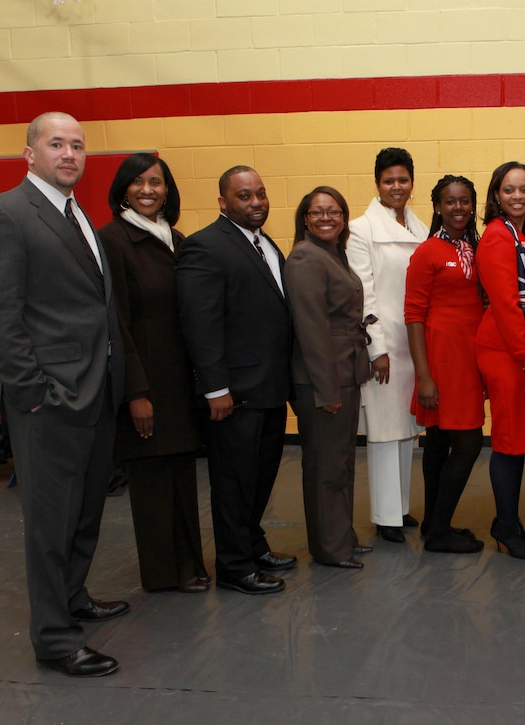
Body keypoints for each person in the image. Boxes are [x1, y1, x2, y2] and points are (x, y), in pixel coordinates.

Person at [0, 112, 126, 677]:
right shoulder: (4, 215)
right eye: (56, 143)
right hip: (50, 399)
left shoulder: (80, 214)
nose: (69, 154)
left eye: (77, 145)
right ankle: (55, 638)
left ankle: (73, 596)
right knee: (51, 522)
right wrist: (32, 392)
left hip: (97, 391)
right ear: (30, 154)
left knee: (84, 511)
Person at [176, 166, 295, 595]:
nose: (256, 202)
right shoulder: (205, 246)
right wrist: (216, 389)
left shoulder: (266, 244)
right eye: (245, 196)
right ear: (223, 202)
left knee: (259, 477)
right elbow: (200, 324)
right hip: (234, 394)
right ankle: (233, 566)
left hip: (270, 388)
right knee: (234, 482)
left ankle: (252, 545)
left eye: (261, 193)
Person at [98, 153, 209, 594]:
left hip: (178, 382)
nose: (148, 190)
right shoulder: (113, 240)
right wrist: (135, 392)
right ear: (123, 189)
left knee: (181, 477)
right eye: (138, 182)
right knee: (151, 485)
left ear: (168, 190)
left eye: (156, 182)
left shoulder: (175, 239)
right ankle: (164, 575)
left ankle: (189, 564)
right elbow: (117, 322)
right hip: (145, 384)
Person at [284, 187, 371, 570]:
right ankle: (330, 549)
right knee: (326, 467)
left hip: (344, 372)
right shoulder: (305, 256)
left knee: (341, 463)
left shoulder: (333, 253)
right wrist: (327, 389)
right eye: (317, 212)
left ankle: (340, 537)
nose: (326, 218)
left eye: (334, 211)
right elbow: (311, 329)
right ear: (305, 218)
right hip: (324, 379)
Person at [347, 147, 427, 543]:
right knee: (383, 431)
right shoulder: (361, 230)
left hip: (415, 345)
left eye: (403, 179)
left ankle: (400, 507)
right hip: (386, 347)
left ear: (412, 182)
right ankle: (384, 516)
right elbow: (364, 295)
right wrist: (376, 350)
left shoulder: (420, 228)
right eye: (388, 180)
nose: (397, 186)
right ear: (377, 184)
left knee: (405, 429)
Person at [405, 175, 486, 555]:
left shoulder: (474, 247)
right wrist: (424, 376)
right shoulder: (428, 251)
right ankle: (439, 531)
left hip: (469, 356)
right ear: (437, 207)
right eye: (450, 201)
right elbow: (413, 315)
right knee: (468, 443)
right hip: (443, 359)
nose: (458, 207)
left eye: (465, 200)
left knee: (438, 441)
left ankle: (433, 524)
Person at [475, 161, 525, 559]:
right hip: (506, 351)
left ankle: (510, 522)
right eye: (509, 190)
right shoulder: (496, 236)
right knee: (507, 441)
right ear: (496, 195)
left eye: (524, 189)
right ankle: (505, 525)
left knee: (516, 441)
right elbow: (505, 306)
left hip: (520, 347)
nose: (517, 196)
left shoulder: (523, 233)